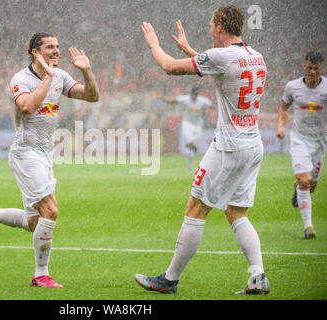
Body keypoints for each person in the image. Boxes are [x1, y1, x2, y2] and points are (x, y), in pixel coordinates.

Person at [135, 5, 270, 295]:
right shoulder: (255, 57)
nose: (210, 28)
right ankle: (258, 276)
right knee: (237, 213)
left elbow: (169, 67)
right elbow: (221, 67)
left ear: (220, 26)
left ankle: (169, 279)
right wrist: (190, 50)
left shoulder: (221, 56)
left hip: (228, 147)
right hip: (253, 145)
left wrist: (154, 44)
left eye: (211, 23)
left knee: (195, 210)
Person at [0, 32, 100, 288]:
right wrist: (47, 77)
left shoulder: (61, 76)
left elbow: (91, 96)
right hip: (25, 153)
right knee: (51, 211)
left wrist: (87, 72)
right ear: (35, 52)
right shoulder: (21, 79)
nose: (56, 51)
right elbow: (27, 106)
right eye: (50, 47)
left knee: (35, 222)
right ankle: (41, 275)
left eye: (58, 46)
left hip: (46, 155)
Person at [277, 51, 326, 239]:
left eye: (316, 68)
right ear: (304, 66)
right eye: (309, 67)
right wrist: (281, 126)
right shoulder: (292, 87)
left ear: (321, 68)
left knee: (311, 185)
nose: (312, 71)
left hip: (320, 142)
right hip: (299, 139)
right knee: (305, 181)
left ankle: (299, 188)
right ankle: (308, 227)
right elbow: (283, 107)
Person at [166, 86, 212, 171]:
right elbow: (174, 101)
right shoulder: (186, 99)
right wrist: (167, 101)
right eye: (192, 94)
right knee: (190, 141)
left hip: (198, 124)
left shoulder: (202, 101)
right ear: (191, 93)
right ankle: (190, 144)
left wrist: (210, 110)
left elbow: (211, 105)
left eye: (195, 94)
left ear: (197, 94)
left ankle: (190, 165)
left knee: (193, 148)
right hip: (187, 123)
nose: (193, 95)